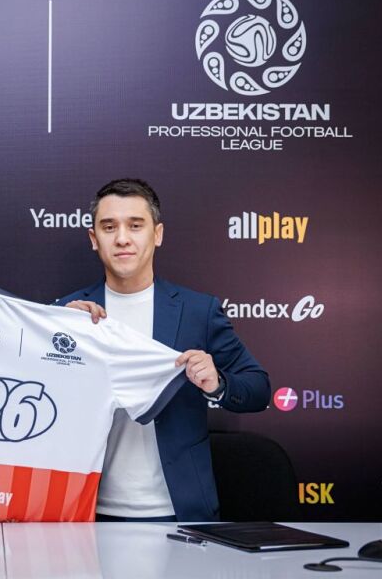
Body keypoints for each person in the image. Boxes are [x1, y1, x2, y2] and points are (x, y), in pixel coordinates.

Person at [56, 178, 269, 521]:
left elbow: (258, 388)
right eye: (109, 227)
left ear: (157, 234)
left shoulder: (198, 311)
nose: (122, 238)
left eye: (135, 225)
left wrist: (218, 383)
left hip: (180, 512)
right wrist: (56, 341)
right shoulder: (66, 313)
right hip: (86, 514)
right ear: (94, 239)